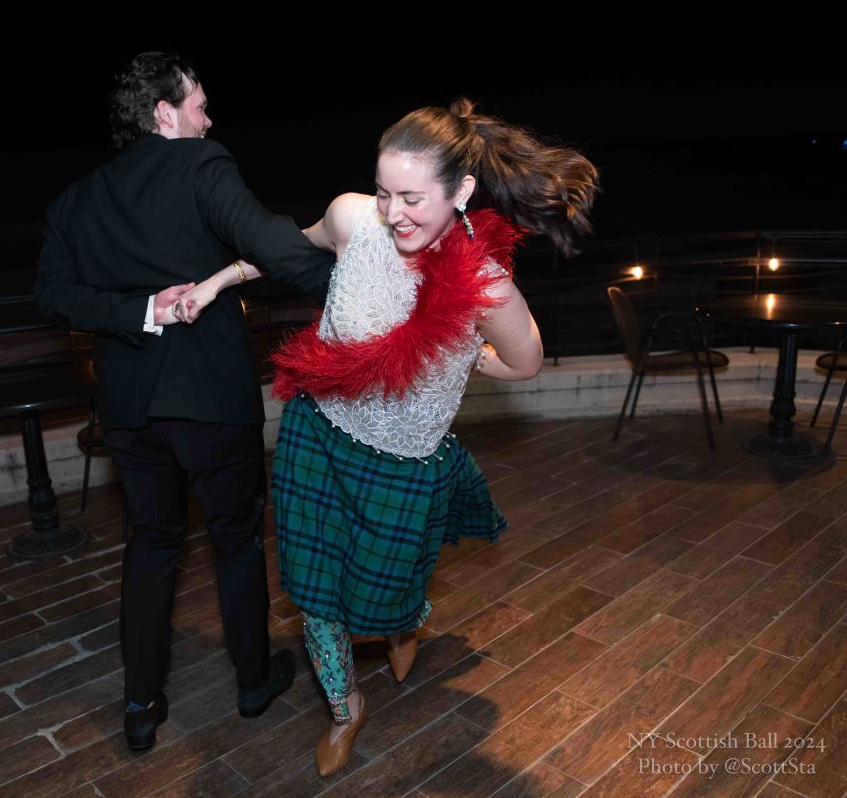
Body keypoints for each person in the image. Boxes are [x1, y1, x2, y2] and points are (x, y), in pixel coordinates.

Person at [174, 99, 599, 775]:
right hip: (318, 437)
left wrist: (470, 356)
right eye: (383, 192)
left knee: (382, 594)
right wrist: (216, 282)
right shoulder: (353, 220)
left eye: (411, 197)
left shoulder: (486, 287)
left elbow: (526, 362)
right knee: (314, 593)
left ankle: (404, 622)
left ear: (461, 191)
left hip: (401, 467)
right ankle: (346, 707)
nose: (393, 212)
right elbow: (284, 250)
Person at [34, 51, 334, 753]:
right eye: (200, 105)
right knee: (235, 538)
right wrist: (363, 282)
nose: (209, 119)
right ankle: (253, 681)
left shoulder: (74, 199)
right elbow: (268, 243)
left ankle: (140, 705)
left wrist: (141, 311)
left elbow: (53, 295)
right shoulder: (201, 162)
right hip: (209, 395)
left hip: (129, 407)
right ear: (165, 113)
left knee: (151, 541)